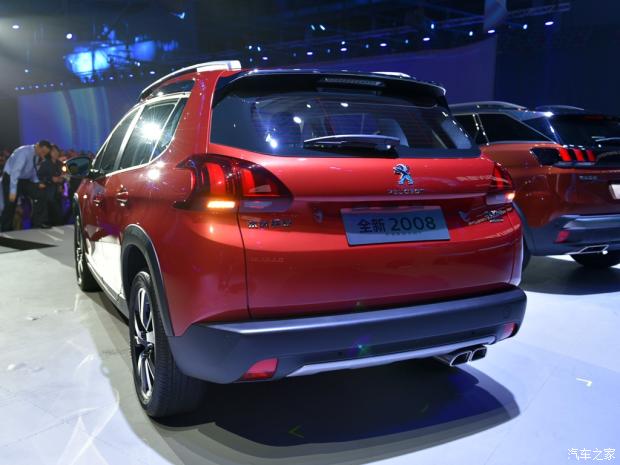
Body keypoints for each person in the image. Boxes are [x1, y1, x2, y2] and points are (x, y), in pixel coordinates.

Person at [0, 140, 52, 231]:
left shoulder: (36, 155)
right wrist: (13, 191)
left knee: (41, 194)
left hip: (24, 180)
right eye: (43, 151)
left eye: (45, 153)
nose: (43, 155)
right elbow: (15, 172)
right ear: (37, 145)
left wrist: (37, 182)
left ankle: (38, 223)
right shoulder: (23, 152)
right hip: (11, 179)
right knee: (10, 204)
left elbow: (32, 171)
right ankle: (5, 229)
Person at [37, 144, 65, 226]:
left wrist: (61, 182)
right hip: (48, 191)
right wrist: (51, 179)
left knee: (58, 211)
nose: (55, 153)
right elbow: (39, 177)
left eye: (57, 151)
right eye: (53, 151)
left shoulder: (60, 163)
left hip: (58, 191)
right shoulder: (45, 163)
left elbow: (63, 175)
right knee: (53, 211)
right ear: (49, 153)